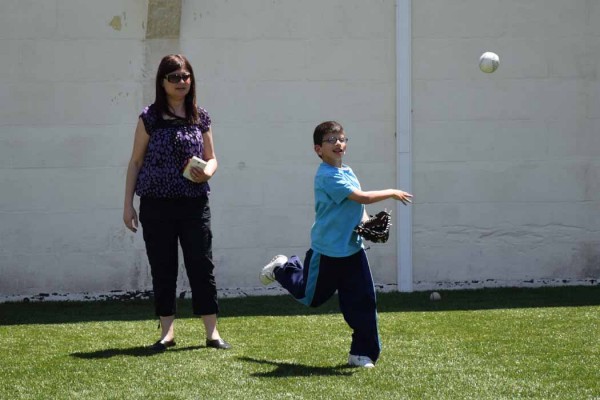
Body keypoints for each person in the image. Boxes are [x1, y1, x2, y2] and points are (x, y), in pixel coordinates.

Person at [260, 121, 412, 368]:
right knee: (311, 298)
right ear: (318, 149)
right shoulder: (326, 176)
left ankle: (361, 354)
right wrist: (392, 192)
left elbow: (357, 206)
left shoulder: (347, 171)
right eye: (331, 140)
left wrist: (366, 222)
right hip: (327, 252)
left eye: (341, 139)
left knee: (363, 302)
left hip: (352, 249)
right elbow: (362, 197)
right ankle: (283, 268)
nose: (338, 143)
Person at [123, 54, 230, 351]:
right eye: (174, 77)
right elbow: (135, 162)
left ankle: (212, 333)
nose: (181, 82)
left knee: (201, 265)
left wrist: (208, 172)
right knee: (163, 267)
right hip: (156, 204)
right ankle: (167, 333)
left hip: (194, 203)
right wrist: (127, 205)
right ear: (162, 82)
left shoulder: (200, 116)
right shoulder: (150, 118)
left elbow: (212, 158)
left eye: (185, 76)